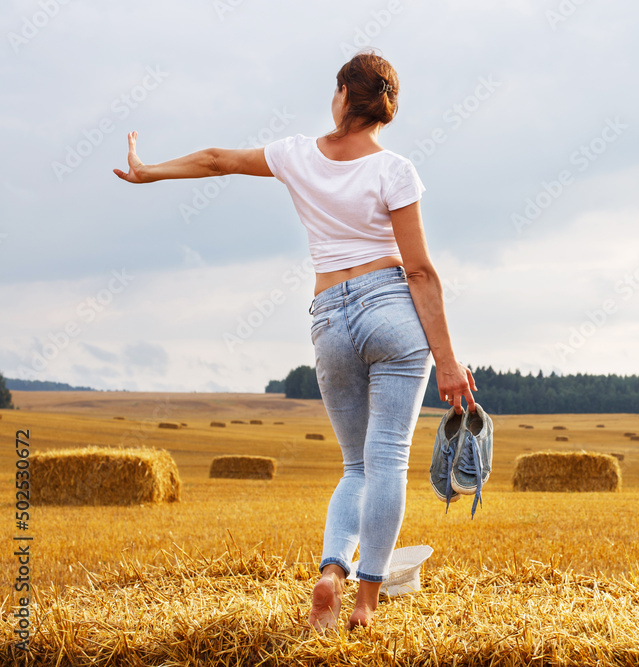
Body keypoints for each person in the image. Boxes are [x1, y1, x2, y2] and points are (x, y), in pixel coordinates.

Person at [113, 49, 477, 631]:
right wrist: (450, 363)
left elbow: (214, 159)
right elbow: (421, 273)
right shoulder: (395, 169)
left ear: (341, 96)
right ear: (385, 110)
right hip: (390, 310)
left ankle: (333, 572)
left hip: (329, 316)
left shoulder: (294, 155)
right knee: (386, 463)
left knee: (355, 466)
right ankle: (364, 604)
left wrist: (145, 169)